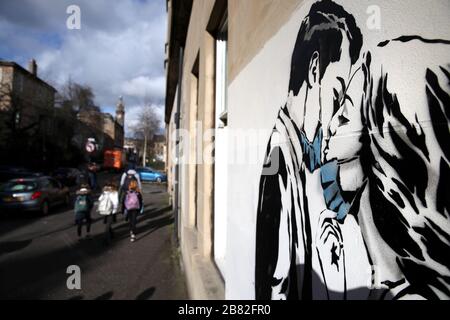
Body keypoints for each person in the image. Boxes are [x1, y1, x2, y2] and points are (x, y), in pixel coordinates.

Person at [255, 0, 364, 300]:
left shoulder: (311, 150)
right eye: (339, 89)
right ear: (315, 69)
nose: (341, 106)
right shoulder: (278, 157)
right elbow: (274, 283)